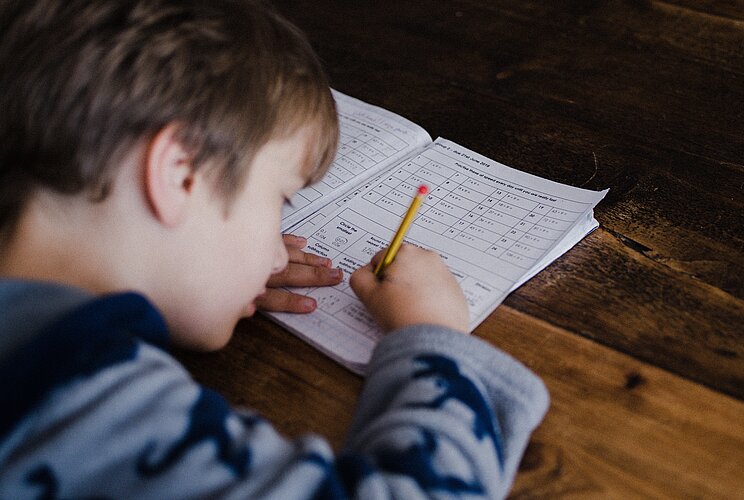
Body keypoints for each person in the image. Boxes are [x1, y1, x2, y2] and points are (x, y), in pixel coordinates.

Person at [0, 0, 549, 498]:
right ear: (181, 174)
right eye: (281, 200)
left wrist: (190, 275)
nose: (280, 256)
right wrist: (433, 339)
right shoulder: (85, 404)